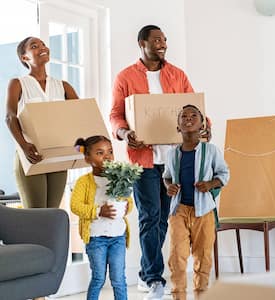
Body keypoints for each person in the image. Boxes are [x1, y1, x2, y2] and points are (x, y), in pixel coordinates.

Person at [110, 24, 211, 300]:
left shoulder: (177, 74)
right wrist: (124, 133)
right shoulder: (126, 77)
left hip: (175, 161)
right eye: (156, 40)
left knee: (164, 218)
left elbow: (195, 108)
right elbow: (116, 115)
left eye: (164, 40)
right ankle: (154, 277)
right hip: (143, 160)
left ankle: (146, 273)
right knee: (149, 216)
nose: (162, 44)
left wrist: (206, 124)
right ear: (142, 43)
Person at [163, 104, 230, 300]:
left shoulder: (211, 151)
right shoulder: (172, 154)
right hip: (179, 211)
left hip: (204, 212)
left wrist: (210, 183)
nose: (188, 118)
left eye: (194, 115)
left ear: (202, 125)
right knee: (177, 256)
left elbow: (224, 174)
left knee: (203, 257)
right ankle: (178, 295)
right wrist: (169, 186)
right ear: (178, 126)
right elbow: (167, 177)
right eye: (184, 116)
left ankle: (202, 294)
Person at [5, 36, 78, 209]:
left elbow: (80, 116)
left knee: (52, 214)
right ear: (25, 57)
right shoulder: (18, 84)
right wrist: (24, 146)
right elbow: (10, 117)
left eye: (44, 44)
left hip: (58, 155)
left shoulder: (63, 86)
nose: (43, 48)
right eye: (35, 46)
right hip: (31, 154)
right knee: (36, 215)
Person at [70, 135, 133, 300]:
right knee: (98, 278)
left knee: (119, 279)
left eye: (110, 151)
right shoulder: (84, 182)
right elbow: (75, 206)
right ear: (88, 159)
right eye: (100, 152)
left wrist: (127, 206)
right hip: (96, 238)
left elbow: (128, 201)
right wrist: (98, 211)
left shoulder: (118, 177)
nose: (107, 156)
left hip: (118, 237)